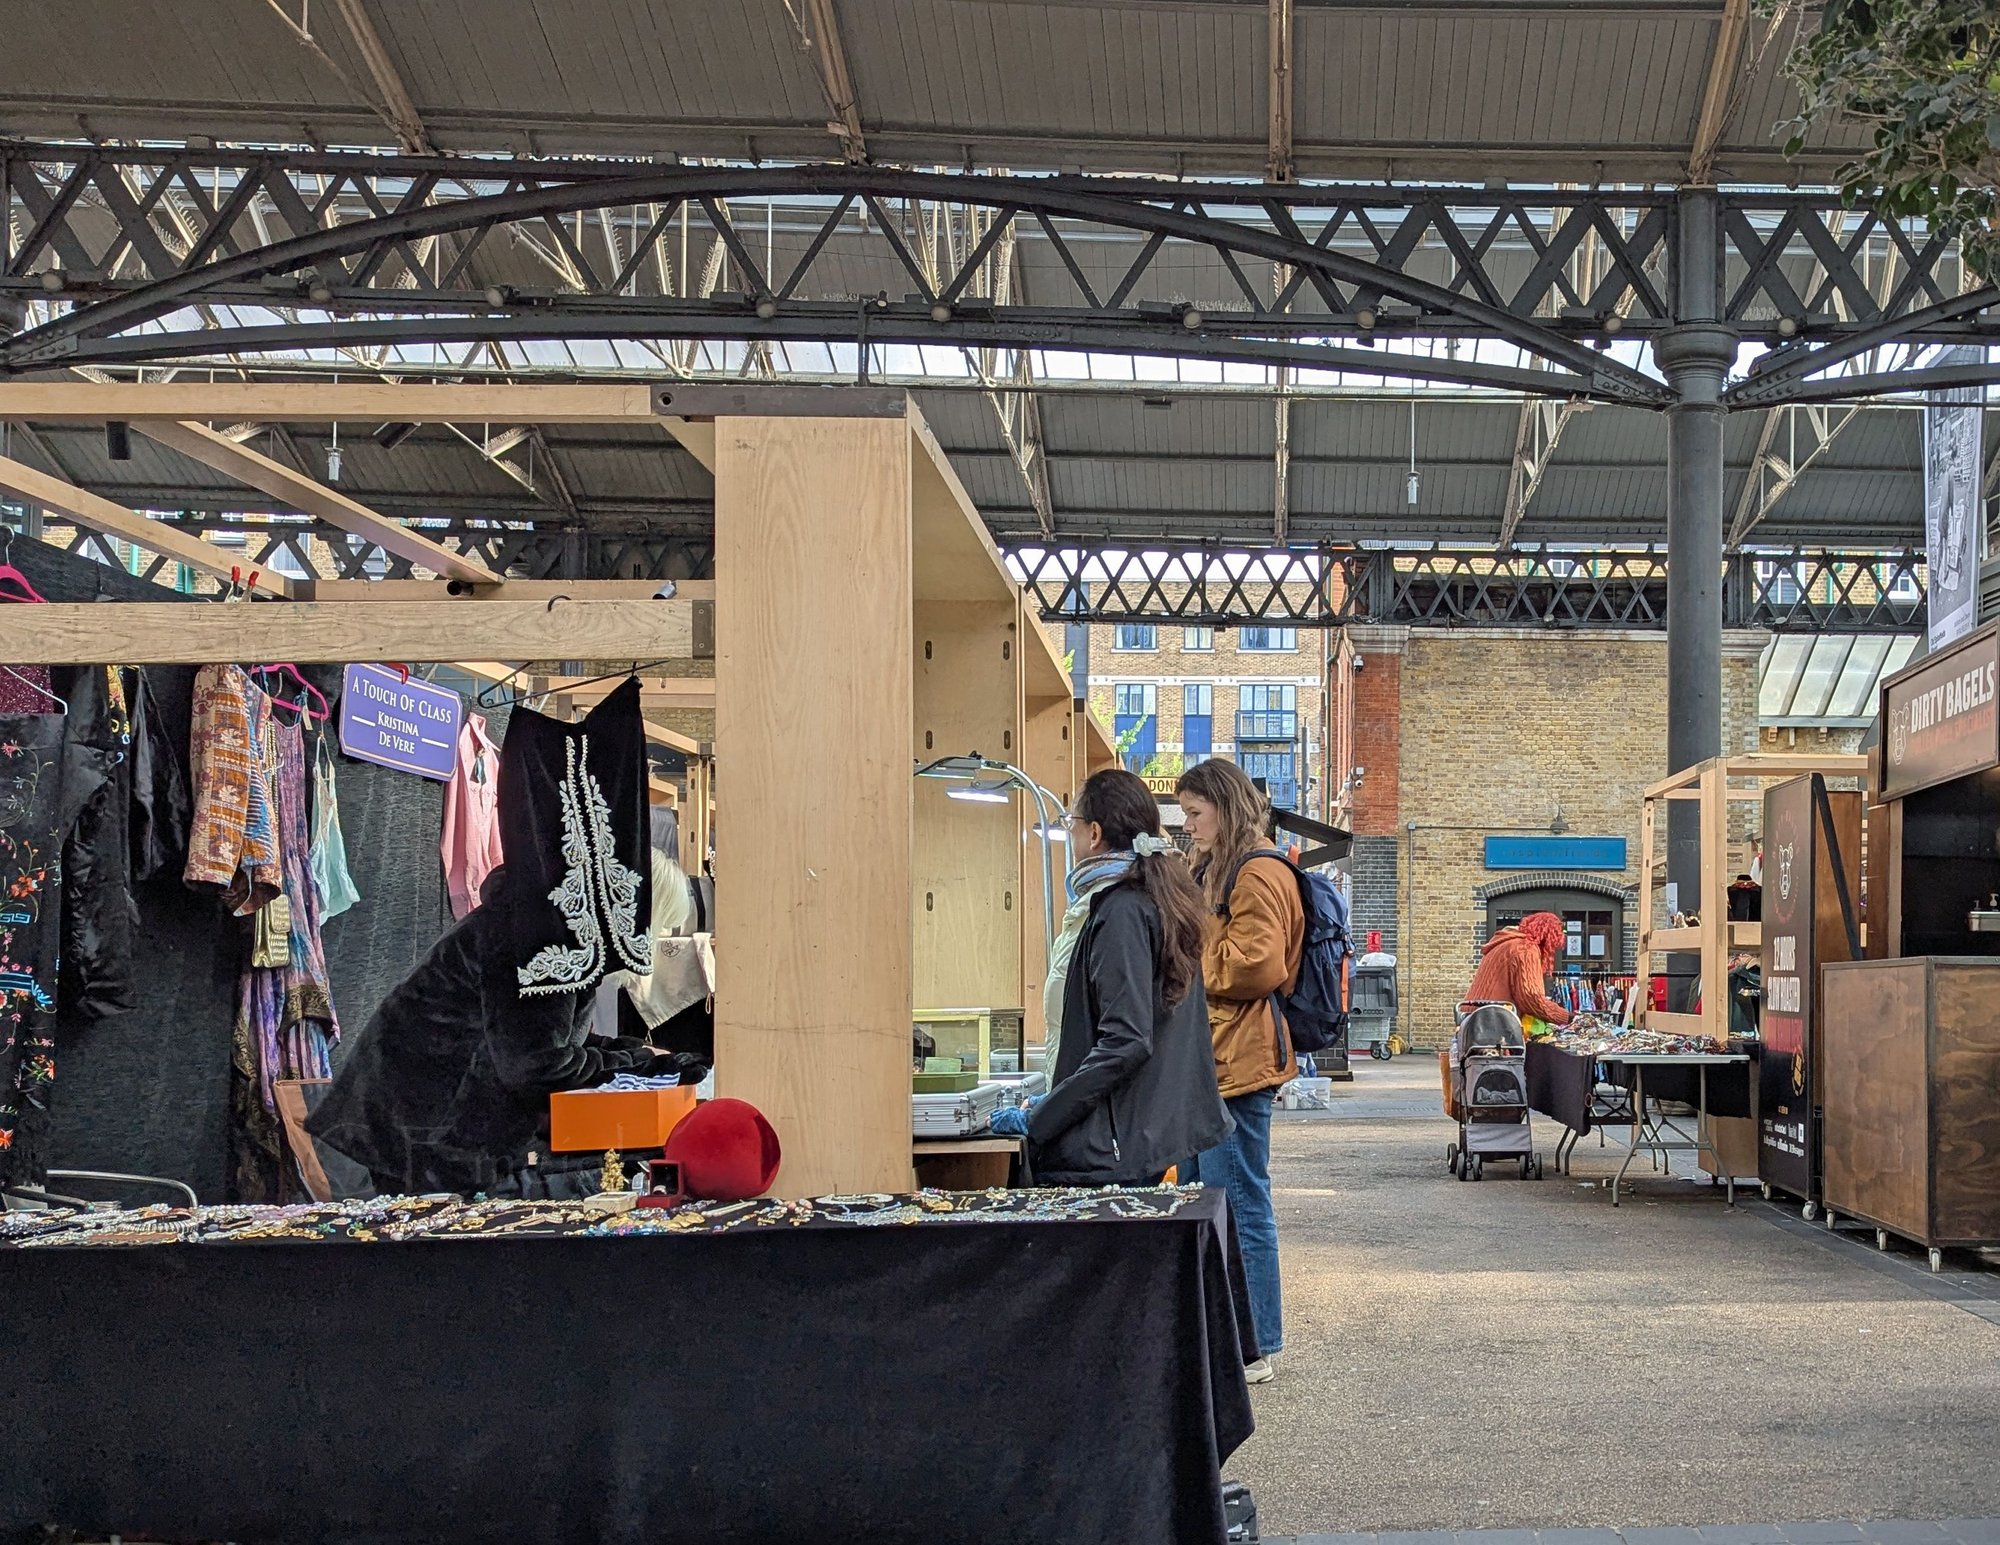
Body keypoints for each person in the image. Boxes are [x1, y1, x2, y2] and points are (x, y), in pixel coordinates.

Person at [309, 865, 704, 1198]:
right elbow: (536, 1063)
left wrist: (636, 1057)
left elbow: (545, 1038)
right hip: (425, 1128)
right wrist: (634, 1061)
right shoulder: (541, 941)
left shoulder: (541, 927)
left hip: (421, 1119)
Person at [1026, 769, 1232, 1187]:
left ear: (1095, 833)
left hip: (1114, 1143)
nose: (1069, 833)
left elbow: (1127, 1040)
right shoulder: (1151, 899)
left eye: (1071, 823)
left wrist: (1045, 1116)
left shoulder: (1122, 911)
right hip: (1132, 1132)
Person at [1175, 758, 1304, 1385]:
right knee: (1204, 1201)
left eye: (1195, 813)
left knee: (1240, 1204)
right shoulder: (1219, 866)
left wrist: (1187, 947)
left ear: (1223, 809)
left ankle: (1256, 1344)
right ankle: (1226, 1339)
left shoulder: (1257, 871)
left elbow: (1257, 964)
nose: (1188, 826)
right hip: (1214, 1056)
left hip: (1238, 1059)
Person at [1461, 911, 1571, 1030]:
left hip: (1472, 1016)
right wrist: (1567, 1017)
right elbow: (1531, 998)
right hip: (1492, 1021)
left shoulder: (1505, 943)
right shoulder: (1525, 948)